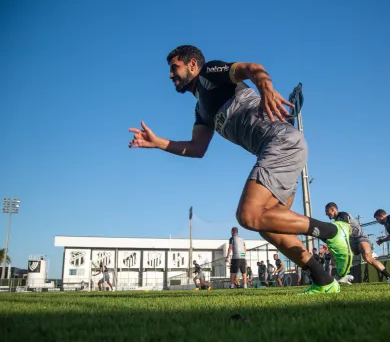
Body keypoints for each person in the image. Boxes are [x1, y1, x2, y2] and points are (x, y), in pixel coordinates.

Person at [128, 45, 353, 294]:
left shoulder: (209, 73)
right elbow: (196, 148)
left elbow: (253, 69)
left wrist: (266, 89)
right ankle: (324, 281)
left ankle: (333, 231)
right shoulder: (201, 109)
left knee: (248, 215)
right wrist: (157, 142)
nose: (171, 75)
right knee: (268, 226)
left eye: (174, 68)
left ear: (192, 64)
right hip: (280, 149)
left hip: (280, 142)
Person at [325, 202, 390, 283]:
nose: (326, 214)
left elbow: (345, 228)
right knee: (336, 255)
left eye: (327, 211)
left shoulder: (343, 215)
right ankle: (345, 276)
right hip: (351, 242)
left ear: (332, 209)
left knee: (368, 258)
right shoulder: (336, 221)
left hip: (360, 238)